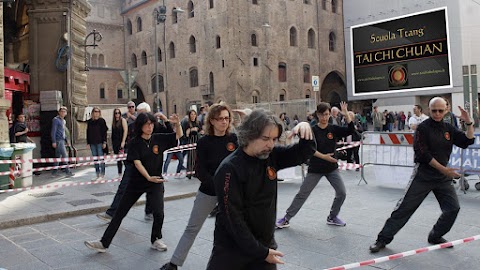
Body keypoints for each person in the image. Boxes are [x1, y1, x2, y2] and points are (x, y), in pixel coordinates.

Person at [206, 109, 316, 270]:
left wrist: (306, 129)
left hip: (265, 248)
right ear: (250, 135)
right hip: (232, 253)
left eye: (274, 139)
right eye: (265, 138)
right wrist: (261, 252)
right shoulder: (229, 169)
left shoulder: (270, 156)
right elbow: (233, 220)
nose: (271, 144)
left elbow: (303, 153)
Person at [369, 97, 475, 253]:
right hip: (423, 175)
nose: (437, 114)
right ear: (428, 110)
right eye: (434, 111)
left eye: (440, 110)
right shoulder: (422, 128)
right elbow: (423, 154)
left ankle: (436, 235)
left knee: (453, 208)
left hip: (442, 178)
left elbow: (467, 141)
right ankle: (382, 239)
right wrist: (445, 170)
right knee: (405, 208)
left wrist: (469, 123)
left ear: (446, 110)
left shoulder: (449, 128)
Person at [85, 112, 183, 253]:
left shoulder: (158, 139)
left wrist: (177, 124)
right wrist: (148, 177)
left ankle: (156, 239)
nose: (150, 127)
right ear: (140, 126)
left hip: (155, 181)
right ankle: (103, 243)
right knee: (119, 213)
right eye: (146, 124)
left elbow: (177, 136)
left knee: (159, 213)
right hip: (136, 183)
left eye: (151, 124)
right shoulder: (135, 143)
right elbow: (137, 163)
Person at [160, 103, 238, 270]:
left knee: (235, 230)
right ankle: (174, 263)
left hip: (231, 193)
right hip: (209, 191)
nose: (224, 122)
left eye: (226, 118)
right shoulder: (204, 142)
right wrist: (216, 185)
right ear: (212, 121)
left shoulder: (234, 139)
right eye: (220, 119)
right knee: (192, 228)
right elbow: (199, 170)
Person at [276, 102, 355, 229]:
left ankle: (332, 216)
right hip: (316, 168)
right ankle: (286, 218)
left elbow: (351, 130)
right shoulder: (312, 130)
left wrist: (346, 114)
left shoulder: (332, 129)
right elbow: (308, 149)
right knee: (303, 194)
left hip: (331, 168)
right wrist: (324, 156)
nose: (325, 117)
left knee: (342, 192)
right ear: (317, 115)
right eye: (322, 114)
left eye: (327, 114)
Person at [97, 103, 174, 222]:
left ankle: (150, 211)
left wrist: (166, 120)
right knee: (124, 187)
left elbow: (171, 136)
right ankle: (112, 213)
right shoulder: (134, 125)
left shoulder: (155, 126)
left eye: (141, 112)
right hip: (134, 163)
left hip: (150, 163)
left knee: (152, 187)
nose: (138, 115)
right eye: (137, 112)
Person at [51, 106, 74, 177]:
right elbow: (53, 131)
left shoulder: (63, 121)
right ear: (59, 112)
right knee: (64, 155)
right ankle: (68, 172)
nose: (63, 113)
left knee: (58, 156)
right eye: (62, 111)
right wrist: (53, 141)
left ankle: (54, 172)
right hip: (58, 140)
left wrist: (67, 140)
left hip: (62, 139)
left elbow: (64, 131)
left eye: (64, 111)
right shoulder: (56, 120)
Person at [87, 107, 108, 181]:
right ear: (92, 112)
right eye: (95, 111)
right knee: (95, 158)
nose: (96, 113)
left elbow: (104, 132)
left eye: (98, 111)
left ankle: (102, 174)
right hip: (92, 142)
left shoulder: (102, 121)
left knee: (101, 158)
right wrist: (88, 142)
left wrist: (104, 142)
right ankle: (97, 174)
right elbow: (88, 132)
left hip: (100, 142)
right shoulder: (89, 121)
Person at [182, 110, 202, 179]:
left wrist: (198, 131)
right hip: (191, 140)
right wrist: (191, 130)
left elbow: (201, 130)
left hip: (197, 140)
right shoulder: (187, 123)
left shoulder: (198, 122)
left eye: (194, 114)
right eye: (192, 114)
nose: (193, 116)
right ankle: (189, 172)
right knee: (191, 157)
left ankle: (196, 172)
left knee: (197, 156)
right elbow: (186, 133)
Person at [111, 108, 128, 177]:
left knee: (124, 159)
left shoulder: (122, 120)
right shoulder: (114, 122)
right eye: (116, 113)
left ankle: (128, 173)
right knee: (118, 159)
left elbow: (125, 131)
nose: (117, 114)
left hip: (121, 142)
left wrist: (123, 141)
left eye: (118, 113)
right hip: (115, 142)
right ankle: (119, 174)